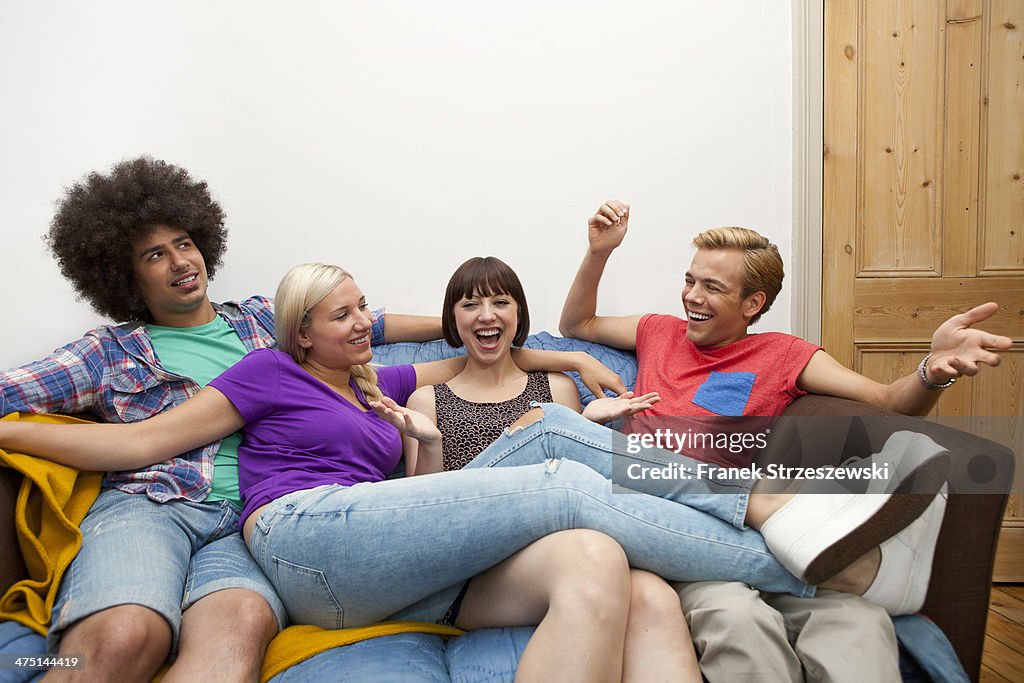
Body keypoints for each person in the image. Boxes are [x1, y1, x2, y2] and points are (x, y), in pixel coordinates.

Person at [0, 264, 963, 672]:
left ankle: (807, 537)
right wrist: (10, 429)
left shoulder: (369, 383)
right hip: (301, 542)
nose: (367, 324)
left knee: (587, 534)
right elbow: (131, 445)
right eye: (347, 315)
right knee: (552, 457)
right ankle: (792, 532)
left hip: (387, 557)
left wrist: (573, 361)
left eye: (365, 312)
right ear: (301, 333)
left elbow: (482, 353)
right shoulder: (266, 372)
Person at [0, 158, 616, 682]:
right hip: (154, 504)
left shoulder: (266, 323)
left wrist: (493, 327)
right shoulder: (108, 352)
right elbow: (19, 395)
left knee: (231, 644)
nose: (179, 261)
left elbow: (391, 333)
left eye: (184, 243)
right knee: (121, 640)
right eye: (154, 255)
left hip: (248, 524)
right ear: (123, 273)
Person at [555, 200, 1014, 682]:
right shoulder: (657, 331)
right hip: (674, 528)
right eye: (690, 280)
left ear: (752, 303)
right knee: (738, 619)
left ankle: (833, 533)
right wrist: (599, 253)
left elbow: (887, 400)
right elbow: (576, 326)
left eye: (712, 286)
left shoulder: (784, 354)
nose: (691, 295)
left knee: (859, 622)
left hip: (757, 531)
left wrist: (930, 370)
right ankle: (845, 536)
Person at [402, 255, 699, 682]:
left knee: (656, 597)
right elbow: (418, 516)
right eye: (470, 304)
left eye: (500, 302)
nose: (487, 315)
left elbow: (574, 487)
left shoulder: (557, 390)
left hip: (555, 546)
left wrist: (587, 427)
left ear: (518, 313)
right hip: (471, 570)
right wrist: (430, 444)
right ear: (453, 319)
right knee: (591, 556)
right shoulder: (426, 401)